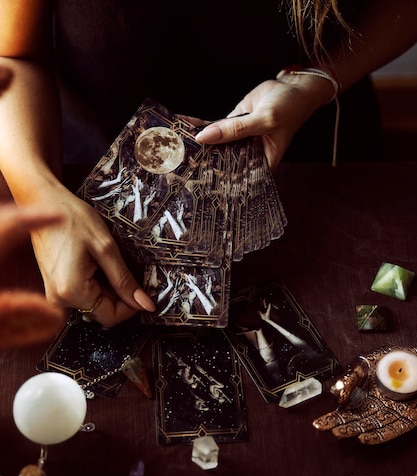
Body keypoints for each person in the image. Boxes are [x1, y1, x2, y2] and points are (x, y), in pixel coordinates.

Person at [0, 1, 416, 328]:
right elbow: (11, 58)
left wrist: (313, 81)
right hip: (83, 161)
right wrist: (40, 198)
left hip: (315, 151)